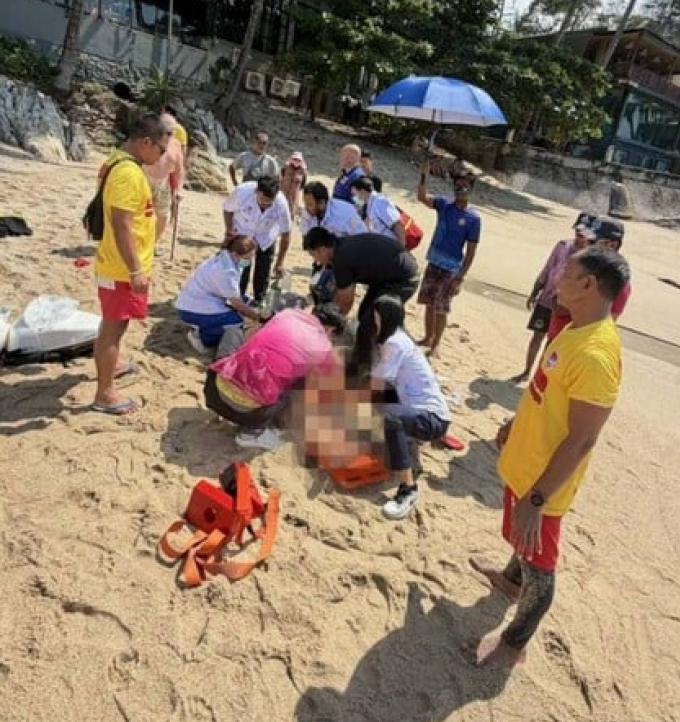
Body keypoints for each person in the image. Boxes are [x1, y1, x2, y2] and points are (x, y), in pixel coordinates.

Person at [470, 246, 630, 669]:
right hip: (527, 465)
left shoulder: (596, 355)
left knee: (540, 569)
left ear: (588, 285)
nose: (556, 278)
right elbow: (547, 390)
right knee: (522, 543)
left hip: (545, 484)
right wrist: (514, 423)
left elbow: (583, 439)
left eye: (566, 273)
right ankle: (509, 580)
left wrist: (538, 499)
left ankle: (513, 645)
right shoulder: (575, 326)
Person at [92, 113, 170, 415]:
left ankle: (111, 366)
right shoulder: (127, 173)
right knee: (114, 327)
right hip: (120, 268)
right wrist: (136, 270)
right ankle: (104, 393)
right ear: (145, 142)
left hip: (117, 264)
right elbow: (122, 224)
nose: (162, 156)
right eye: (161, 149)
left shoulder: (118, 161)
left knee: (115, 324)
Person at [354, 295, 450, 520]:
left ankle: (408, 488)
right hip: (424, 409)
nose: (374, 321)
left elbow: (375, 382)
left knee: (390, 420)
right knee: (376, 403)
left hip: (432, 419)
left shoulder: (394, 343)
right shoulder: (398, 337)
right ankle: (410, 440)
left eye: (376, 317)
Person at [205, 304, 346, 450]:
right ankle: (253, 433)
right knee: (305, 384)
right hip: (251, 414)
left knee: (235, 334)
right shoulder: (324, 348)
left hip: (214, 395)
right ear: (331, 329)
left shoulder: (287, 315)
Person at [512, 219, 596, 382]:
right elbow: (548, 268)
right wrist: (535, 290)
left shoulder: (589, 258)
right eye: (577, 232)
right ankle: (527, 371)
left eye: (583, 234)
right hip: (546, 299)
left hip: (565, 307)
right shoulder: (563, 246)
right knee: (537, 336)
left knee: (553, 343)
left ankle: (541, 376)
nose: (579, 236)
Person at [416, 160, 481, 358]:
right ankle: (428, 337)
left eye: (465, 187)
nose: (460, 190)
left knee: (442, 308)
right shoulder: (444, 205)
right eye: (458, 187)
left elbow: (471, 251)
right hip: (434, 261)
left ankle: (436, 344)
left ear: (471, 189)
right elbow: (422, 197)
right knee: (429, 303)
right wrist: (424, 176)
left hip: (451, 268)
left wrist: (460, 277)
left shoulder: (473, 219)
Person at [175, 235, 269, 354]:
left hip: (194, 300)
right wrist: (258, 318)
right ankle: (202, 338)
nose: (249, 261)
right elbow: (237, 304)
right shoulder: (226, 272)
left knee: (243, 310)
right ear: (235, 254)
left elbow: (234, 295)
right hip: (194, 309)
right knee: (236, 324)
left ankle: (203, 326)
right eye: (247, 258)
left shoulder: (225, 256)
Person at [303, 227, 419, 321]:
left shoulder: (342, 260)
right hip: (386, 277)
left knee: (375, 320)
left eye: (313, 255)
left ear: (322, 250)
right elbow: (341, 292)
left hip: (403, 279)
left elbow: (346, 301)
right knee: (364, 315)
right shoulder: (339, 246)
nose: (316, 260)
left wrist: (331, 323)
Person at [547, 217, 631, 342]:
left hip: (578, 343)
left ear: (612, 245)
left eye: (591, 242)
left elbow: (604, 322)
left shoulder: (617, 282)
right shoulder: (580, 265)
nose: (585, 244)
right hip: (559, 339)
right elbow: (556, 302)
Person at [222, 176, 292, 304]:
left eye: (269, 203)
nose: (265, 206)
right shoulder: (242, 192)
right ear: (256, 191)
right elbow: (227, 210)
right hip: (243, 234)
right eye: (262, 201)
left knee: (263, 270)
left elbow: (286, 233)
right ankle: (238, 298)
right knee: (242, 269)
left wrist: (280, 262)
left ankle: (259, 300)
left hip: (266, 237)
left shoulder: (281, 203)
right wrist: (229, 230)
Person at [142, 111, 185, 246]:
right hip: (144, 180)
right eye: (166, 131)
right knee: (142, 215)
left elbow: (179, 170)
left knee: (163, 217)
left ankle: (151, 244)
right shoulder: (148, 140)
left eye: (171, 132)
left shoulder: (176, 145)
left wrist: (178, 189)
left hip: (163, 183)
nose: (168, 134)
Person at [349, 176, 405, 246]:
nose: (353, 198)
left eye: (354, 194)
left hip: (394, 246)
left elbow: (397, 224)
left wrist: (401, 247)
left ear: (362, 191)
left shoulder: (379, 202)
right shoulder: (370, 204)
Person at [300, 181, 367, 238]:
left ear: (322, 203)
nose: (306, 208)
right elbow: (306, 238)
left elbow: (363, 238)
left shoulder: (346, 214)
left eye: (310, 204)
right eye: (305, 203)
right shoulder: (307, 212)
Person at [280, 151, 307, 218]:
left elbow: (303, 184)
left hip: (294, 196)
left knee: (291, 213)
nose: (296, 161)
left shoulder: (303, 171)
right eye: (295, 159)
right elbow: (281, 177)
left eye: (298, 160)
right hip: (283, 193)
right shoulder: (286, 167)